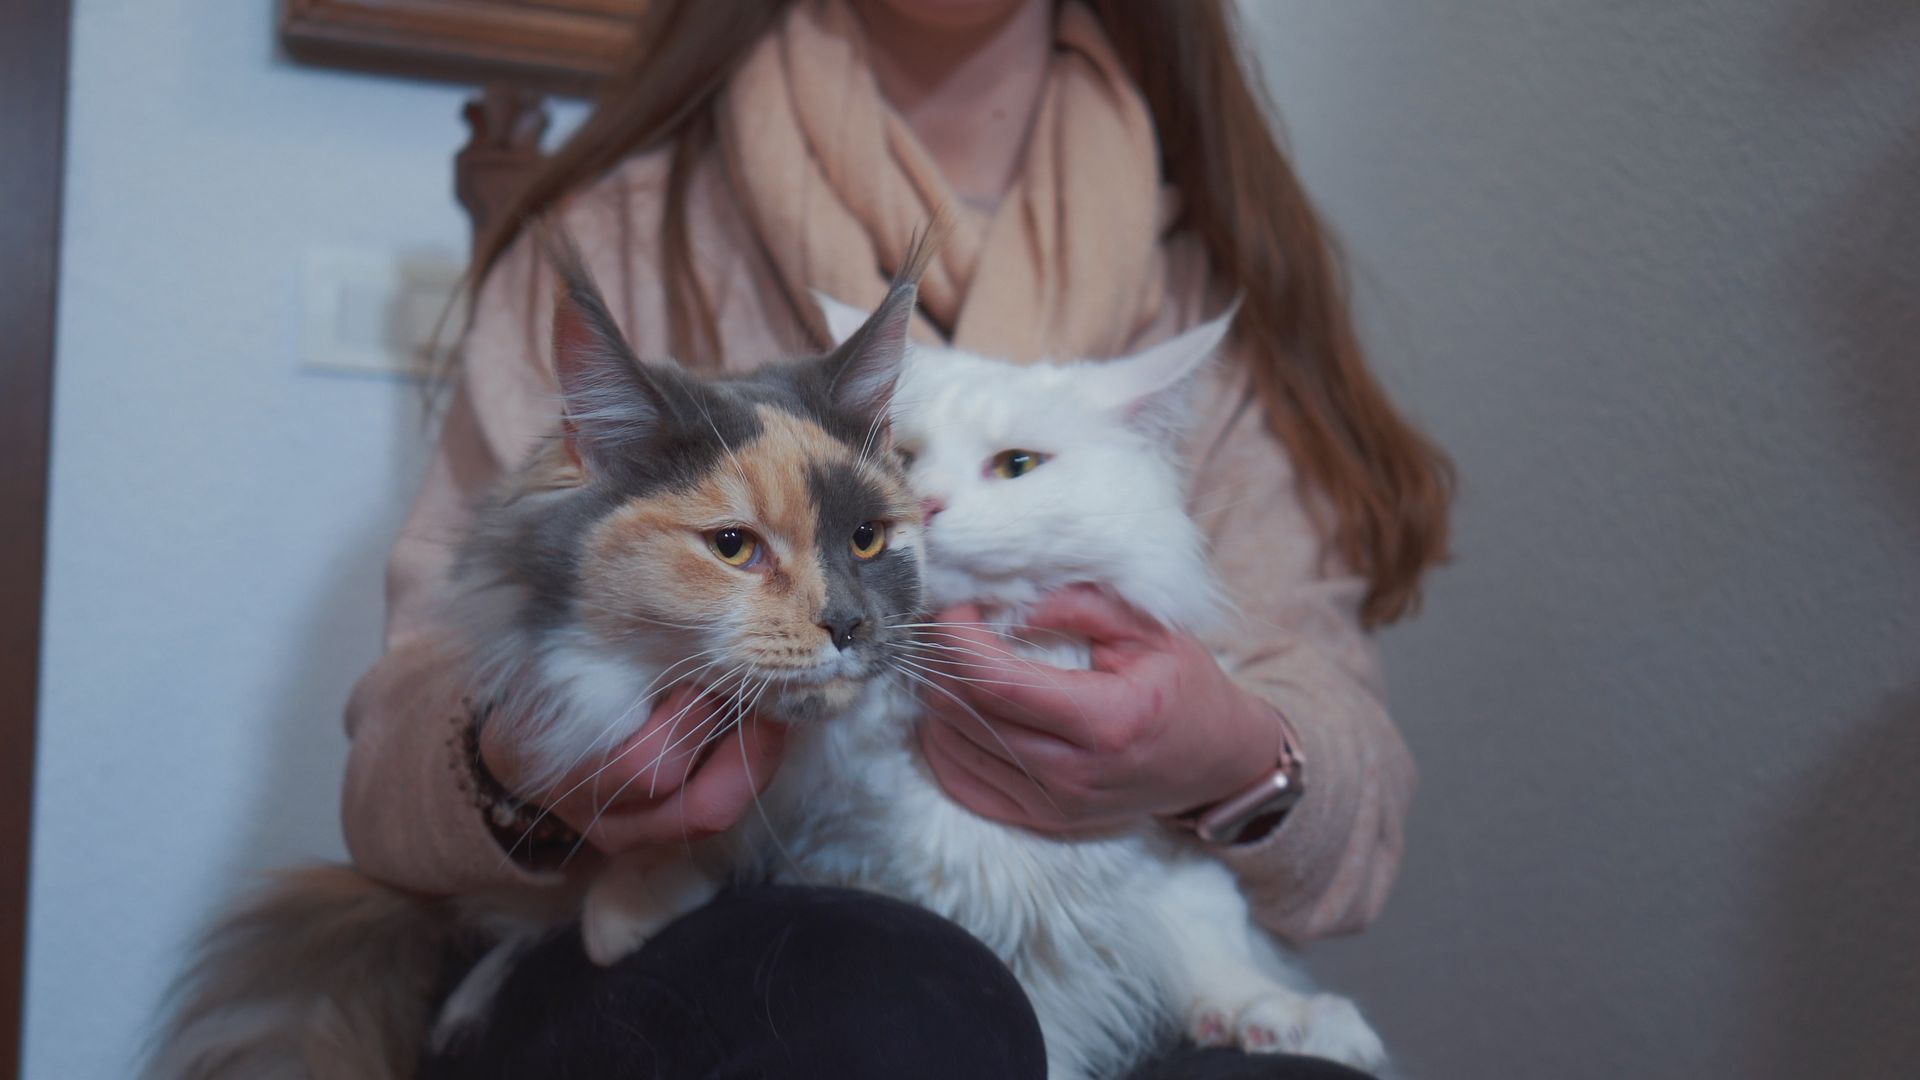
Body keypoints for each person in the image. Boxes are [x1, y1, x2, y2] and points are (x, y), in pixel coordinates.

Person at [346, 0, 1452, 1076]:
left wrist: (1234, 755)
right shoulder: (615, 232)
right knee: (892, 1001)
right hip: (738, 963)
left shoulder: (1218, 274)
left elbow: (1358, 830)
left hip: (1107, 946)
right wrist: (522, 765)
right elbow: (390, 760)